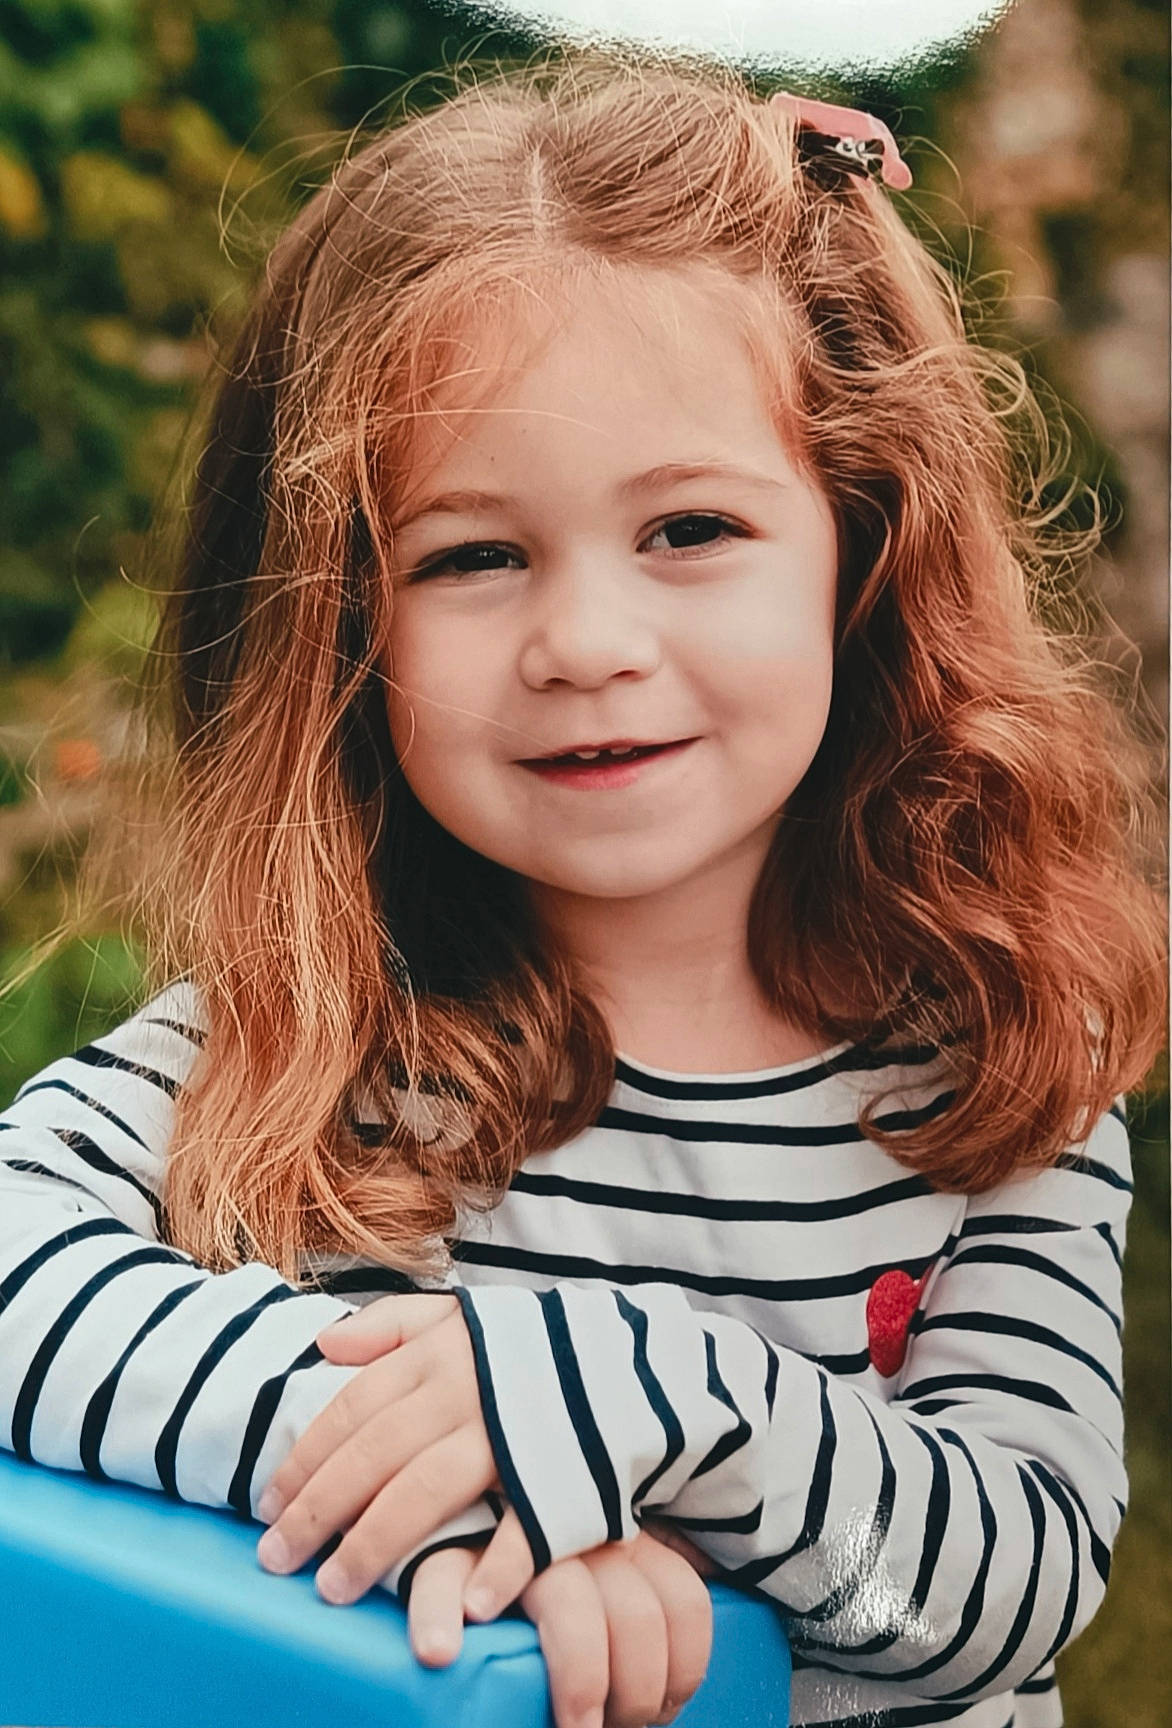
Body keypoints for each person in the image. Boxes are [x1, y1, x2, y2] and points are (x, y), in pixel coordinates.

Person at [0, 42, 1165, 1728]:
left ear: (865, 541)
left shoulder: (1000, 1065)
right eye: (470, 556)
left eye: (690, 529)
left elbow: (1009, 1580)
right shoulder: (297, 1045)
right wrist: (435, 1473)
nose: (589, 647)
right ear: (336, 622)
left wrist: (646, 1401)